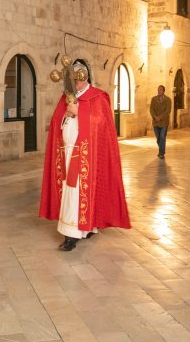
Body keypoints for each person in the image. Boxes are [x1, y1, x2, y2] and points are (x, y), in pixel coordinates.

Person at [39, 63, 131, 251]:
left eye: (78, 80)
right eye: (72, 80)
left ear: (85, 77)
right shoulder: (66, 97)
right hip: (67, 153)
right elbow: (57, 121)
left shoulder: (98, 97)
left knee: (78, 192)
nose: (76, 84)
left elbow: (101, 125)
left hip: (87, 157)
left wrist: (78, 112)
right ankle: (84, 228)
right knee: (70, 192)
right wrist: (66, 114)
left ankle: (71, 236)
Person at [149, 85, 172, 158]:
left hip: (164, 122)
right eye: (158, 89)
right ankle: (161, 150)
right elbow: (151, 109)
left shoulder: (168, 100)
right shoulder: (153, 99)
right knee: (158, 138)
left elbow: (168, 111)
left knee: (162, 137)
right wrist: (154, 116)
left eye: (161, 90)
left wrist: (160, 117)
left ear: (163, 91)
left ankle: (161, 153)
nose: (159, 91)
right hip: (155, 122)